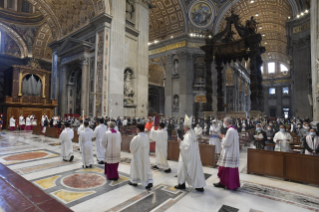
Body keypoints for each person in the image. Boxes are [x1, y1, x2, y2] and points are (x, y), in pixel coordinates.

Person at [175, 115, 206, 192]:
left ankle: (182, 184)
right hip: (192, 156)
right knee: (194, 170)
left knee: (182, 168)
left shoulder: (188, 136)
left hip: (187, 156)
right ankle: (198, 185)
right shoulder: (192, 133)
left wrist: (180, 142)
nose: (183, 127)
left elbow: (186, 147)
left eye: (184, 126)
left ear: (186, 127)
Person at [214, 117, 240, 190]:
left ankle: (227, 184)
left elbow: (227, 143)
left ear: (227, 122)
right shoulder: (234, 129)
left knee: (225, 168)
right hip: (232, 152)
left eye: (224, 122)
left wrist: (222, 136)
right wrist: (225, 137)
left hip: (229, 152)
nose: (224, 123)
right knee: (226, 167)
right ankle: (224, 183)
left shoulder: (230, 130)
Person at [128, 124, 153, 190]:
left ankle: (134, 181)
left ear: (138, 129)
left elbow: (132, 148)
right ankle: (149, 181)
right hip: (145, 155)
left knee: (136, 168)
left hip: (137, 156)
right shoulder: (146, 137)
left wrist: (133, 152)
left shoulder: (136, 138)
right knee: (146, 168)